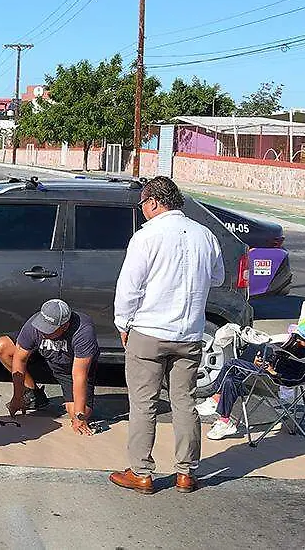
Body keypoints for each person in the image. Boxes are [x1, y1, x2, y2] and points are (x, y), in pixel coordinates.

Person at [109, 176, 225, 495]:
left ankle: (142, 472)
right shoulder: (205, 236)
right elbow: (217, 278)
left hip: (149, 330)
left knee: (144, 403)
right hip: (189, 333)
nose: (142, 210)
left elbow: (129, 287)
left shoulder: (147, 237)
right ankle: (186, 472)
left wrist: (123, 324)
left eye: (143, 203)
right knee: (185, 401)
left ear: (156, 203)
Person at [0, 298, 99, 436]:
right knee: (3, 346)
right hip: (45, 357)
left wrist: (80, 416)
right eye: (41, 326)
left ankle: (76, 409)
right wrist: (17, 398)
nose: (42, 331)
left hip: (69, 369)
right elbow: (19, 359)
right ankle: (32, 393)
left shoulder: (83, 331)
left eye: (49, 330)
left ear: (64, 326)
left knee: (77, 413)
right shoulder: (34, 324)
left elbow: (79, 375)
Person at [200, 322, 305, 440]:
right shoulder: (294, 345)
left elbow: (297, 378)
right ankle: (225, 421)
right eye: (297, 336)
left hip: (275, 382)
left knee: (231, 364)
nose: (297, 340)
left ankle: (216, 398)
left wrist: (274, 373)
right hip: (263, 376)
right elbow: (276, 361)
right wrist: (261, 363)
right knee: (230, 380)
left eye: (301, 339)